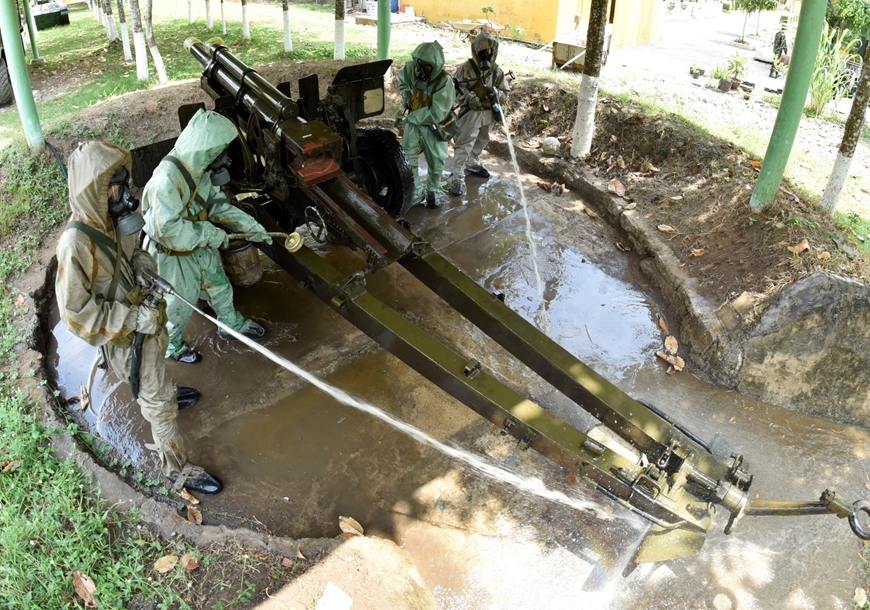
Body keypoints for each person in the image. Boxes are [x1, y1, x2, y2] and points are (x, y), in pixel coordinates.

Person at [56, 141, 222, 494]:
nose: (126, 197)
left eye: (125, 185)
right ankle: (176, 469)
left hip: (145, 316)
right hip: (124, 335)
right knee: (158, 405)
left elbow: (130, 257)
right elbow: (76, 316)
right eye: (117, 189)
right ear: (95, 194)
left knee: (158, 370)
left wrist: (144, 266)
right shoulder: (75, 246)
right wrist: (132, 318)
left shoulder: (111, 220)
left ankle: (162, 393)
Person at [141, 109, 273, 365]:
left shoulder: (199, 172)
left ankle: (229, 324)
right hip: (172, 253)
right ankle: (172, 346)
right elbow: (165, 230)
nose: (226, 161)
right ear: (206, 151)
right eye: (222, 153)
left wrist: (249, 224)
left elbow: (212, 203)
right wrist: (209, 233)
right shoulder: (166, 180)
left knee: (219, 285)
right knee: (179, 304)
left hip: (197, 241)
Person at [448, 30, 511, 197]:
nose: (485, 56)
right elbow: (456, 88)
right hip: (471, 113)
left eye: (488, 52)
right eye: (482, 52)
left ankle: (473, 162)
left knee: (483, 139)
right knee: (464, 144)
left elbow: (505, 92)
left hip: (488, 112)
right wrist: (469, 97)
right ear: (476, 51)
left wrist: (497, 94)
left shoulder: (496, 71)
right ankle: (457, 177)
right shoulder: (466, 68)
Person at [397, 40, 456, 209]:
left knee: (437, 159)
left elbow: (437, 112)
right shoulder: (410, 69)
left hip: (435, 124)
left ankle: (433, 189)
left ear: (436, 66)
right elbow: (403, 82)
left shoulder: (444, 81)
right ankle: (416, 191)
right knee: (408, 157)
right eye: (420, 65)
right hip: (414, 123)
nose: (422, 70)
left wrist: (411, 117)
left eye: (427, 67)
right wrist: (407, 95)